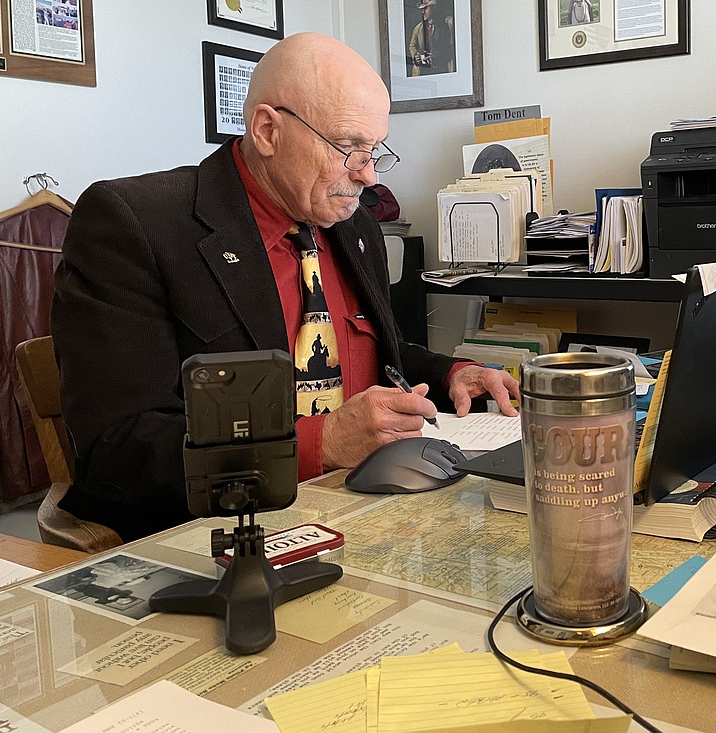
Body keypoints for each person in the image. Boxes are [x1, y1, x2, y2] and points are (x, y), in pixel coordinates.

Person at [52, 32, 519, 541]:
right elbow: (118, 451)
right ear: (268, 131)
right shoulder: (135, 224)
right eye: (346, 148)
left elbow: (366, 353)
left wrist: (452, 371)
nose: (366, 176)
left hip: (369, 511)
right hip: (219, 535)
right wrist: (321, 444)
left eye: (374, 150)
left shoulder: (351, 223)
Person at [407, 0, 454, 76]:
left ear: (434, 8)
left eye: (426, 8)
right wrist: (415, 55)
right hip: (422, 72)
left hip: (439, 70)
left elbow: (446, 49)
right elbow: (412, 46)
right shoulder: (418, 28)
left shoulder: (444, 27)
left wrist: (434, 57)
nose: (423, 12)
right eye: (422, 9)